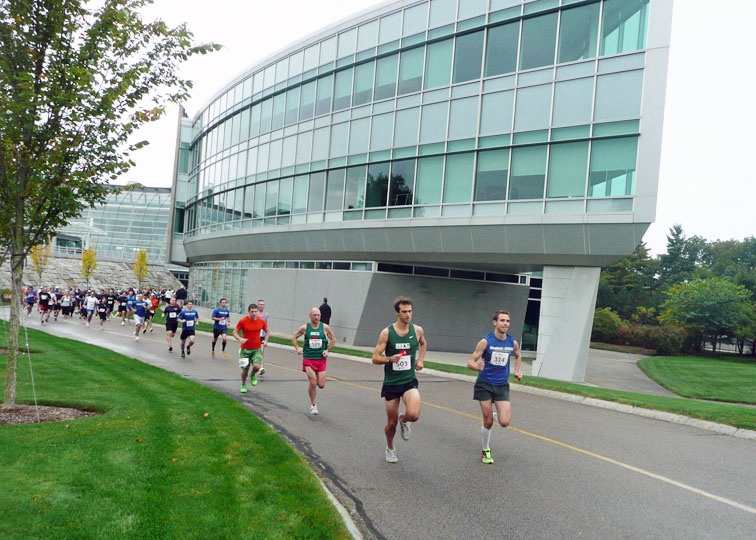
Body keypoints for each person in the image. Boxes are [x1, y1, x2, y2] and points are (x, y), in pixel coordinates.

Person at [372, 296, 427, 463]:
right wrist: (390, 359)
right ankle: (390, 447)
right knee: (391, 422)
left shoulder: (417, 330)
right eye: (404, 312)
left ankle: (406, 421)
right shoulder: (387, 332)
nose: (408, 315)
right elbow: (375, 357)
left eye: (410, 311)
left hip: (409, 380)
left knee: (414, 414)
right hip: (391, 383)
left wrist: (420, 360)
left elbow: (423, 344)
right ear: (397, 312)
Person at [467, 310, 523, 464]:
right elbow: (470, 362)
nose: (506, 323)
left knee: (505, 422)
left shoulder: (512, 342)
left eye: (508, 321)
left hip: (501, 385)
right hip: (484, 384)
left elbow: (518, 355)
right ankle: (486, 450)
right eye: (502, 320)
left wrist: (516, 371)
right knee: (488, 422)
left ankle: (494, 414)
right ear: (495, 322)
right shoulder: (486, 342)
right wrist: (477, 367)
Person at [292, 307, 335, 415]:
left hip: (321, 359)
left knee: (321, 385)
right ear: (310, 316)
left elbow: (333, 339)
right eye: (314, 315)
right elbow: (294, 337)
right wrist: (297, 348)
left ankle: (314, 390)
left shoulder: (325, 327)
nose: (316, 317)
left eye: (318, 315)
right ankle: (313, 405)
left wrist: (327, 350)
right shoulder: (305, 328)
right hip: (308, 358)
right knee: (313, 382)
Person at [232, 303, 268, 393]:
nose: (254, 313)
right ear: (249, 311)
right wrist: (240, 338)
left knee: (256, 366)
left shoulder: (261, 321)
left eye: (255, 311)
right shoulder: (243, 321)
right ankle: (243, 384)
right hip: (245, 349)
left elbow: (267, 331)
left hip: (257, 348)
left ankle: (252, 375)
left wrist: (266, 341)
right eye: (252, 312)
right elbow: (235, 332)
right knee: (245, 370)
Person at [256, 299, 269, 374]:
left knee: (261, 351)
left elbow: (266, 326)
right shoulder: (255, 314)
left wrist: (266, 338)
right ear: (257, 305)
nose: (262, 306)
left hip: (262, 336)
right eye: (260, 304)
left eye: (263, 304)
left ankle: (261, 368)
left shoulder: (266, 315)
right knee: (254, 352)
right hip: (254, 335)